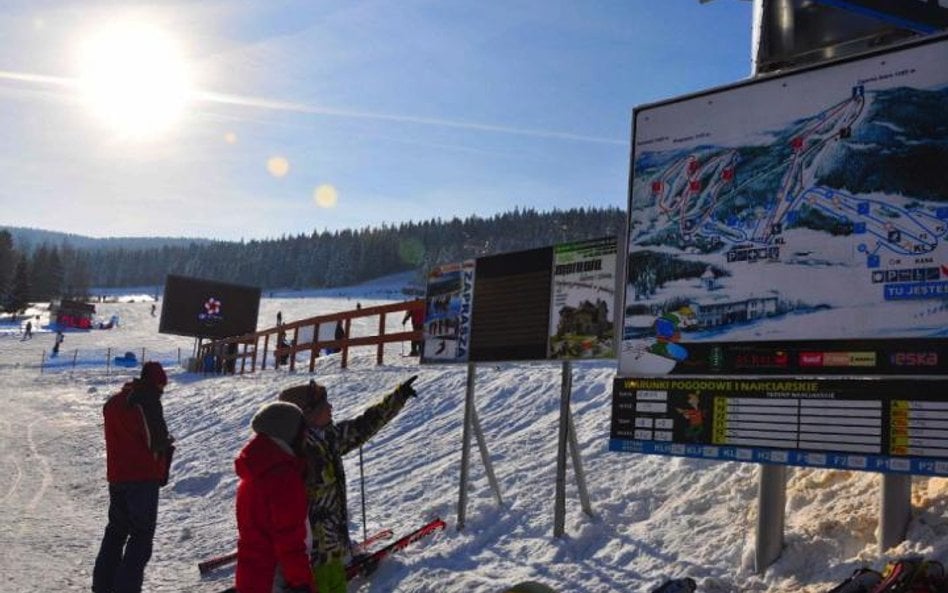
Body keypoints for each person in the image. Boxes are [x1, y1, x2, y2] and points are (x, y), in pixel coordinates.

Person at [278, 376, 418, 593]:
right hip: (310, 557)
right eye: (325, 405)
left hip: (332, 550)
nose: (331, 407)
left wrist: (397, 398)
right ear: (309, 414)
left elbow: (363, 426)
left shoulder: (327, 438)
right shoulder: (297, 456)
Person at [93, 362, 174, 593]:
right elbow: (156, 441)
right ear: (156, 382)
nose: (161, 390)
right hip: (142, 477)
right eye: (161, 385)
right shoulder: (146, 399)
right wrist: (166, 444)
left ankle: (102, 585)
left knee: (116, 531)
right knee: (141, 536)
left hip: (117, 476)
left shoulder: (114, 402)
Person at [234, 401, 313, 593]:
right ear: (289, 434)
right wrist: (302, 582)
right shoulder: (282, 477)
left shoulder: (255, 470)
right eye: (302, 433)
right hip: (276, 579)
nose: (306, 439)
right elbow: (289, 539)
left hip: (252, 574)